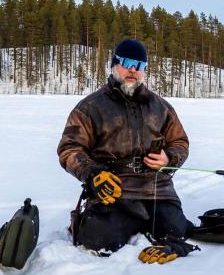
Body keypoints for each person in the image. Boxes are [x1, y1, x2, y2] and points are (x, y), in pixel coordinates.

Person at [57, 37, 196, 262]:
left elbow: (180, 142)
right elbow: (69, 148)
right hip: (114, 191)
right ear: (114, 65)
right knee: (97, 240)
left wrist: (169, 158)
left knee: (177, 231)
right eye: (127, 63)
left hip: (156, 190)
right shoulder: (90, 107)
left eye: (139, 65)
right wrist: (93, 174)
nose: (133, 70)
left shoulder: (161, 107)